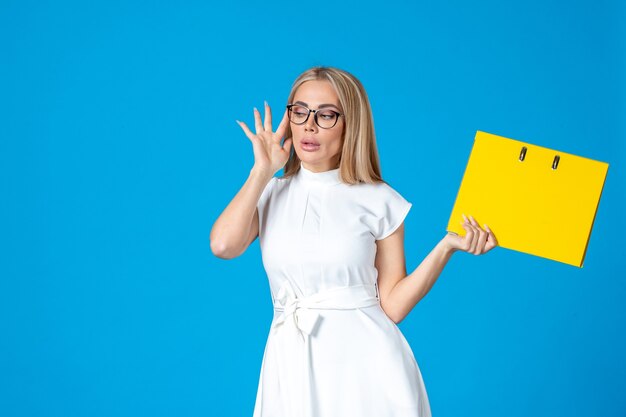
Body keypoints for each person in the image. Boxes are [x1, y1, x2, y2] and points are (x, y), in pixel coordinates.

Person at [210, 66, 498, 417]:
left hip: (367, 369)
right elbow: (223, 245)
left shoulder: (379, 199)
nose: (309, 125)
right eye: (299, 112)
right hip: (290, 364)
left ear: (351, 124)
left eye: (326, 115)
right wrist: (261, 171)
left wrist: (446, 247)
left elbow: (392, 305)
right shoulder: (269, 192)